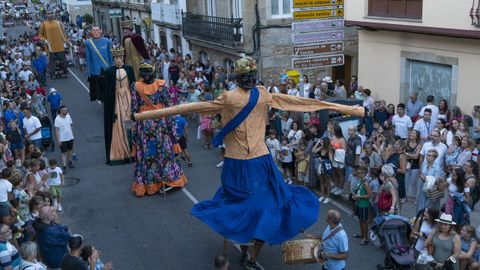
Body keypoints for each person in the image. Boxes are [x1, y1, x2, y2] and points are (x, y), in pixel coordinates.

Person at [134, 57, 363, 270]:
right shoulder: (258, 94)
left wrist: (144, 116)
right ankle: (251, 256)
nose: (251, 80)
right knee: (266, 207)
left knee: (243, 211)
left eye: (251, 76)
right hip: (257, 161)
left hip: (242, 162)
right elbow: (301, 102)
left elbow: (191, 107)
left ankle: (248, 254)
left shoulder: (233, 97)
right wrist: (349, 109)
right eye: (249, 76)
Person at [131, 60, 187, 197]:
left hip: (148, 124)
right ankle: (164, 180)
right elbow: (169, 107)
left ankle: (153, 183)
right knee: (161, 152)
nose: (145, 75)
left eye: (146, 72)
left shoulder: (149, 86)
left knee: (152, 153)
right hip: (156, 124)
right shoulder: (141, 86)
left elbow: (134, 108)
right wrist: (172, 127)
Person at [103, 47, 135, 165]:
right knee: (118, 125)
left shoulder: (129, 70)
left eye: (120, 58)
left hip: (129, 99)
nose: (118, 60)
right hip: (116, 101)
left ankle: (133, 151)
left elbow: (133, 86)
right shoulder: (109, 72)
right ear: (113, 59)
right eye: (116, 58)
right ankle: (121, 152)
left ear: (123, 58)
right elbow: (107, 92)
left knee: (131, 123)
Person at [33, 205, 70, 270]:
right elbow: (66, 236)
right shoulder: (49, 232)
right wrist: (59, 224)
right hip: (57, 261)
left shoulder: (40, 224)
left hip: (49, 259)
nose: (54, 212)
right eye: (52, 211)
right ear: (48, 216)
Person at [85, 26, 113, 102]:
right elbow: (88, 59)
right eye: (93, 30)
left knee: (108, 88)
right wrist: (89, 73)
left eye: (97, 30)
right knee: (99, 91)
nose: (96, 32)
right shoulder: (88, 42)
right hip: (95, 70)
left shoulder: (107, 41)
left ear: (101, 31)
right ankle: (103, 102)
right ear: (91, 32)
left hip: (106, 69)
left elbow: (110, 56)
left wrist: (113, 69)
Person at [39, 9, 70, 78]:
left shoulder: (58, 23)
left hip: (60, 46)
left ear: (53, 14)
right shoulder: (43, 24)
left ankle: (65, 72)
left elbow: (63, 34)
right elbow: (40, 36)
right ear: (46, 15)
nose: (49, 15)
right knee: (52, 63)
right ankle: (52, 74)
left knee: (63, 61)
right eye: (48, 13)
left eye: (51, 13)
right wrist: (45, 40)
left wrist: (67, 42)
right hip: (51, 47)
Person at [352, 167, 371, 245]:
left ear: (365, 174)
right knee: (360, 220)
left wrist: (358, 197)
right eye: (358, 172)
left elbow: (369, 195)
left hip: (364, 205)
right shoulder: (360, 180)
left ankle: (365, 238)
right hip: (358, 203)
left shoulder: (366, 183)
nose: (358, 174)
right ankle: (362, 234)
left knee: (364, 221)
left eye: (360, 173)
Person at [54, 106, 74, 171]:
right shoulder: (57, 119)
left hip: (69, 137)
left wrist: (72, 135)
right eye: (64, 110)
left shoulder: (68, 116)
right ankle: (64, 166)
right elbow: (56, 130)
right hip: (62, 139)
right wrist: (58, 140)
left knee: (70, 150)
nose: (66, 111)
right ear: (61, 111)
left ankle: (70, 161)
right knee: (64, 152)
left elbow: (70, 125)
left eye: (66, 110)